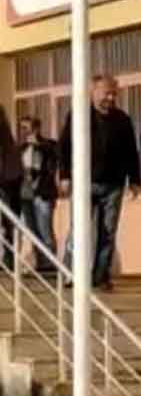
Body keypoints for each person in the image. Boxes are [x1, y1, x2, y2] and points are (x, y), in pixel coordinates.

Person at [59, 74, 141, 291]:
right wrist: (65, 175)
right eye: (107, 93)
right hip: (84, 181)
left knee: (108, 231)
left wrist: (134, 180)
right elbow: (65, 147)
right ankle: (71, 274)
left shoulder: (122, 120)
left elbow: (131, 152)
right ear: (92, 92)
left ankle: (101, 276)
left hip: (113, 184)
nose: (111, 98)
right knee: (79, 230)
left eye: (114, 93)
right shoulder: (79, 115)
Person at [17, 116, 60, 273]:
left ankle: (50, 264)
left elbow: (56, 155)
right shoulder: (21, 148)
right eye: (22, 128)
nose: (24, 132)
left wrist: (38, 145)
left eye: (27, 128)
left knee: (45, 229)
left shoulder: (49, 145)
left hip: (43, 194)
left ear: (36, 128)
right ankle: (40, 264)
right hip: (26, 194)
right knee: (32, 230)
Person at [0, 108, 23, 270]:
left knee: (9, 222)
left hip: (8, 179)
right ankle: (8, 260)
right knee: (8, 223)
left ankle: (9, 261)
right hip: (10, 177)